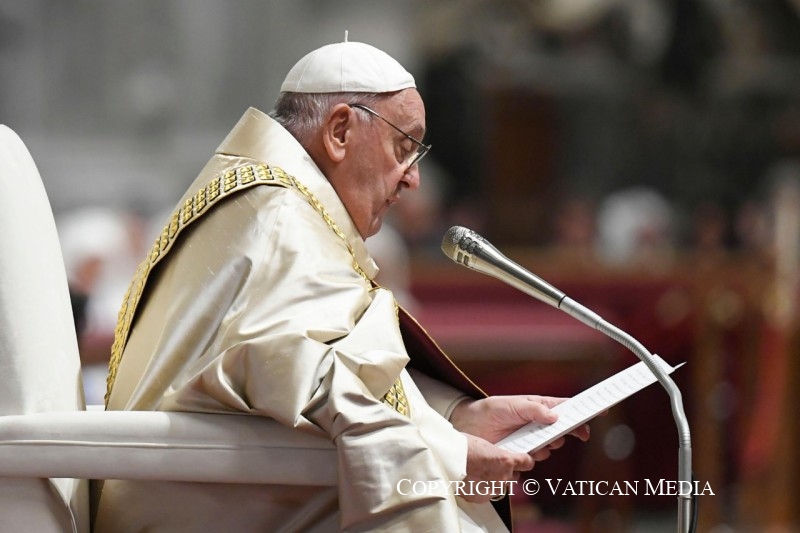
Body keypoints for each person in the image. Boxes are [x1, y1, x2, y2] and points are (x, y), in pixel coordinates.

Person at [94, 39, 589, 532]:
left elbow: (318, 373)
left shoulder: (272, 202)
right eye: (404, 148)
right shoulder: (280, 220)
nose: (413, 179)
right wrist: (449, 453)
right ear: (339, 132)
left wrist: (457, 416)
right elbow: (308, 376)